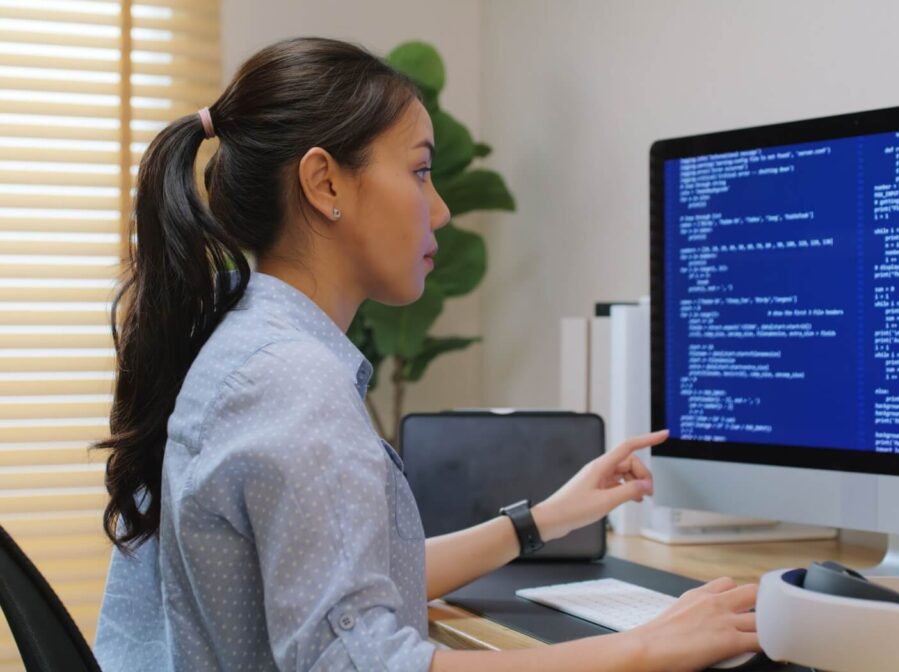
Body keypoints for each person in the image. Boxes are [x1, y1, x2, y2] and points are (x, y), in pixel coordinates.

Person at [93, 37, 759, 672]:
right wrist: (646, 650)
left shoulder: (246, 344)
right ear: (325, 184)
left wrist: (548, 518)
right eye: (418, 171)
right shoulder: (294, 384)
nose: (438, 210)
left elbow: (343, 587)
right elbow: (365, 663)